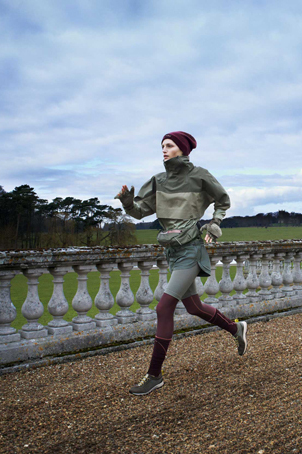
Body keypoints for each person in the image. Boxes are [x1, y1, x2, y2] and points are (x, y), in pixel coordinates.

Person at [115, 131, 248, 396]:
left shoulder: (199, 175)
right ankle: (236, 328)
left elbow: (223, 200)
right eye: (162, 146)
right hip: (172, 252)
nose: (164, 150)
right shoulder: (158, 180)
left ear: (183, 149)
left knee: (164, 307)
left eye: (170, 145)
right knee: (194, 306)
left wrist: (215, 223)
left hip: (191, 249)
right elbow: (141, 211)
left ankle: (154, 375)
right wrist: (128, 203)